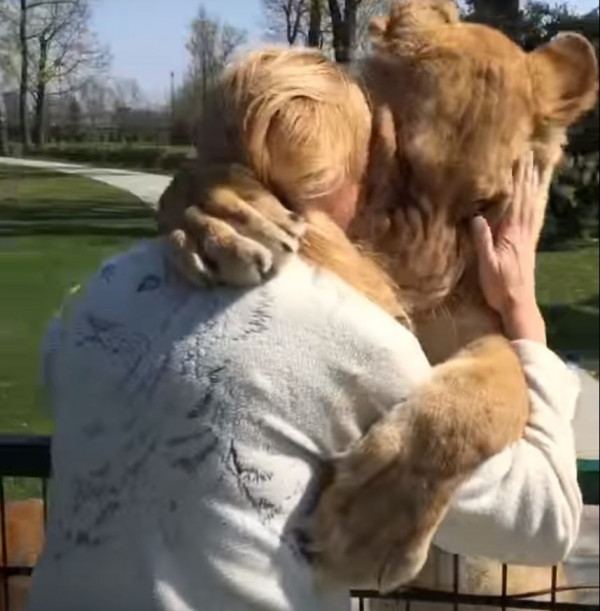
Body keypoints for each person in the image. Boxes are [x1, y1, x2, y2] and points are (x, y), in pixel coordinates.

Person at [27, 48, 581, 611]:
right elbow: (542, 520)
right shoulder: (347, 331)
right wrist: (523, 315)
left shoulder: (97, 295)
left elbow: (64, 374)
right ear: (347, 176)